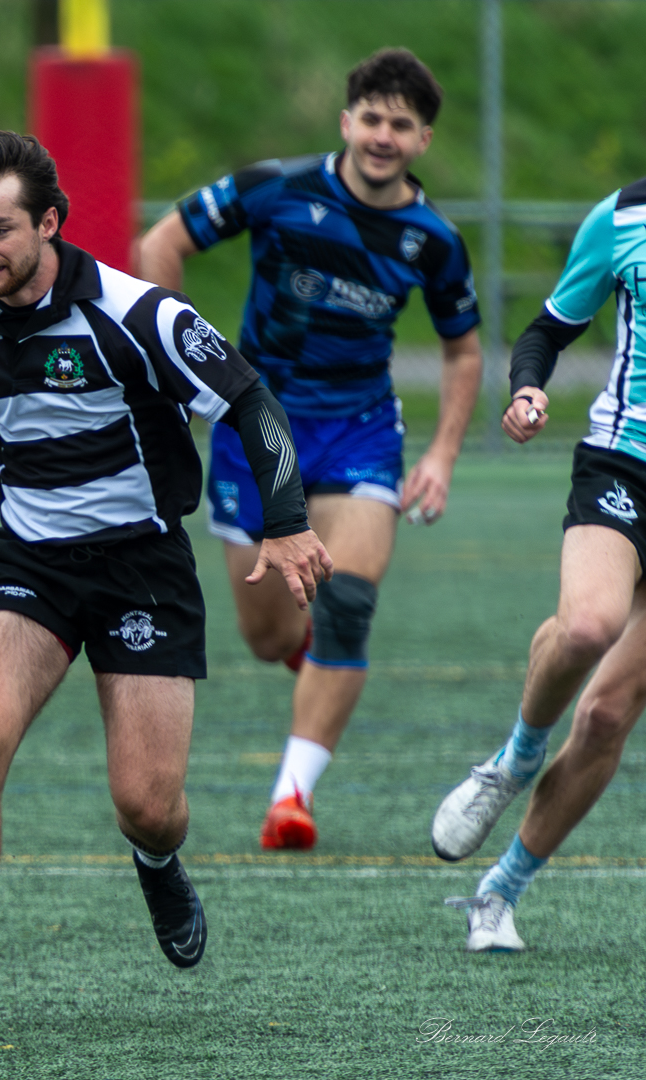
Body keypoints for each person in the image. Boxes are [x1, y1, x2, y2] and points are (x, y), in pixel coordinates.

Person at [0, 129, 330, 1022]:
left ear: (50, 222)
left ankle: (158, 864)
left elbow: (250, 398)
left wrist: (283, 523)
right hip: (32, 568)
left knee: (149, 806)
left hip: (144, 569)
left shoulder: (138, 317)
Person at [136, 48, 482, 850]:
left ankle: (291, 797)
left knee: (347, 606)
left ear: (423, 139)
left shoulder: (432, 241)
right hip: (254, 426)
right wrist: (192, 375)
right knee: (268, 636)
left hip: (360, 429)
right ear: (345, 122)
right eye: (372, 117)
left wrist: (441, 455)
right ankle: (313, 668)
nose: (383, 135)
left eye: (402, 124)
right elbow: (161, 247)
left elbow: (463, 351)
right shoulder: (277, 187)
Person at [433, 175, 646, 951]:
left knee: (607, 716)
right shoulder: (623, 217)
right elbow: (548, 330)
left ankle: (499, 893)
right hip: (625, 462)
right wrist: (526, 390)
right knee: (590, 624)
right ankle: (515, 757)